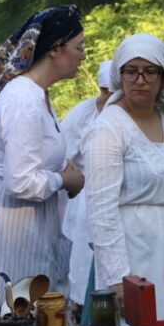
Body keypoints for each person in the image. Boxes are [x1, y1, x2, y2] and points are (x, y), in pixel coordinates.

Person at [0, 5, 86, 318]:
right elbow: (21, 181)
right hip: (7, 221)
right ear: (55, 49)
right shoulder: (23, 100)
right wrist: (64, 180)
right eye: (79, 47)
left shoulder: (37, 95)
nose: (83, 55)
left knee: (30, 311)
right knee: (7, 313)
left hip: (28, 219)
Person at [84, 34, 164, 321]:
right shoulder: (109, 128)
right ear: (119, 76)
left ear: (163, 78)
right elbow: (101, 208)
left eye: (150, 72)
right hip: (133, 253)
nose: (140, 80)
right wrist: (118, 278)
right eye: (131, 71)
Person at [61, 61, 113, 311]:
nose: (108, 98)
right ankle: (85, 310)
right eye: (104, 91)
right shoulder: (81, 115)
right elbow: (61, 155)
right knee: (84, 261)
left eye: (113, 92)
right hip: (86, 196)